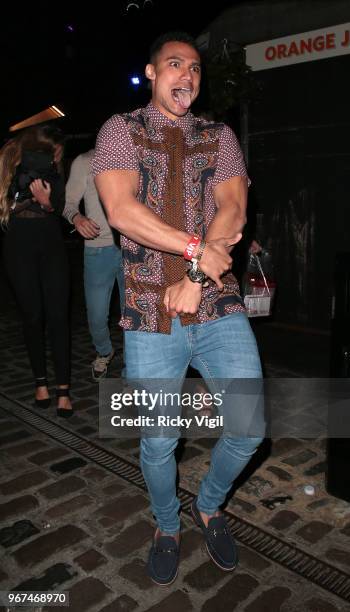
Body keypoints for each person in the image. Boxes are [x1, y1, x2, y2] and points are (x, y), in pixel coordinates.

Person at [92, 31, 264, 585]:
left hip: (216, 303)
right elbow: (120, 210)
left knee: (249, 424)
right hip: (147, 313)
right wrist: (197, 250)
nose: (186, 76)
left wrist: (195, 276)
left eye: (194, 69)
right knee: (160, 439)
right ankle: (167, 524)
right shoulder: (120, 130)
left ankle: (208, 505)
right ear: (150, 72)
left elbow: (233, 210)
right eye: (174, 65)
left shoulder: (219, 136)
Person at [0, 124, 72, 417]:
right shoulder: (7, 159)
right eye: (54, 151)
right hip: (18, 244)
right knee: (32, 316)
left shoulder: (54, 167)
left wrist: (47, 202)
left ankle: (64, 390)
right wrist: (25, 198)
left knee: (58, 317)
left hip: (51, 243)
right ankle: (40, 383)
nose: (57, 157)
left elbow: (60, 203)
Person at [64, 149, 124, 380]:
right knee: (97, 314)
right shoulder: (85, 161)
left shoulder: (135, 154)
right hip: (98, 248)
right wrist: (77, 218)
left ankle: (134, 366)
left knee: (135, 312)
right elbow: (68, 203)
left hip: (133, 248)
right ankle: (104, 351)